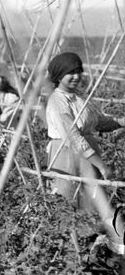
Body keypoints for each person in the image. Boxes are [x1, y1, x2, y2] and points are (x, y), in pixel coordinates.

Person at [44, 52, 125, 253]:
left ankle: (95, 251)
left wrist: (120, 122)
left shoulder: (80, 97)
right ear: (58, 75)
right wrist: (101, 165)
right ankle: (67, 253)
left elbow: (98, 121)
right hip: (66, 155)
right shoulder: (57, 101)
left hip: (87, 155)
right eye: (70, 72)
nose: (76, 76)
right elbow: (74, 138)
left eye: (78, 71)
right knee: (66, 203)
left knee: (93, 202)